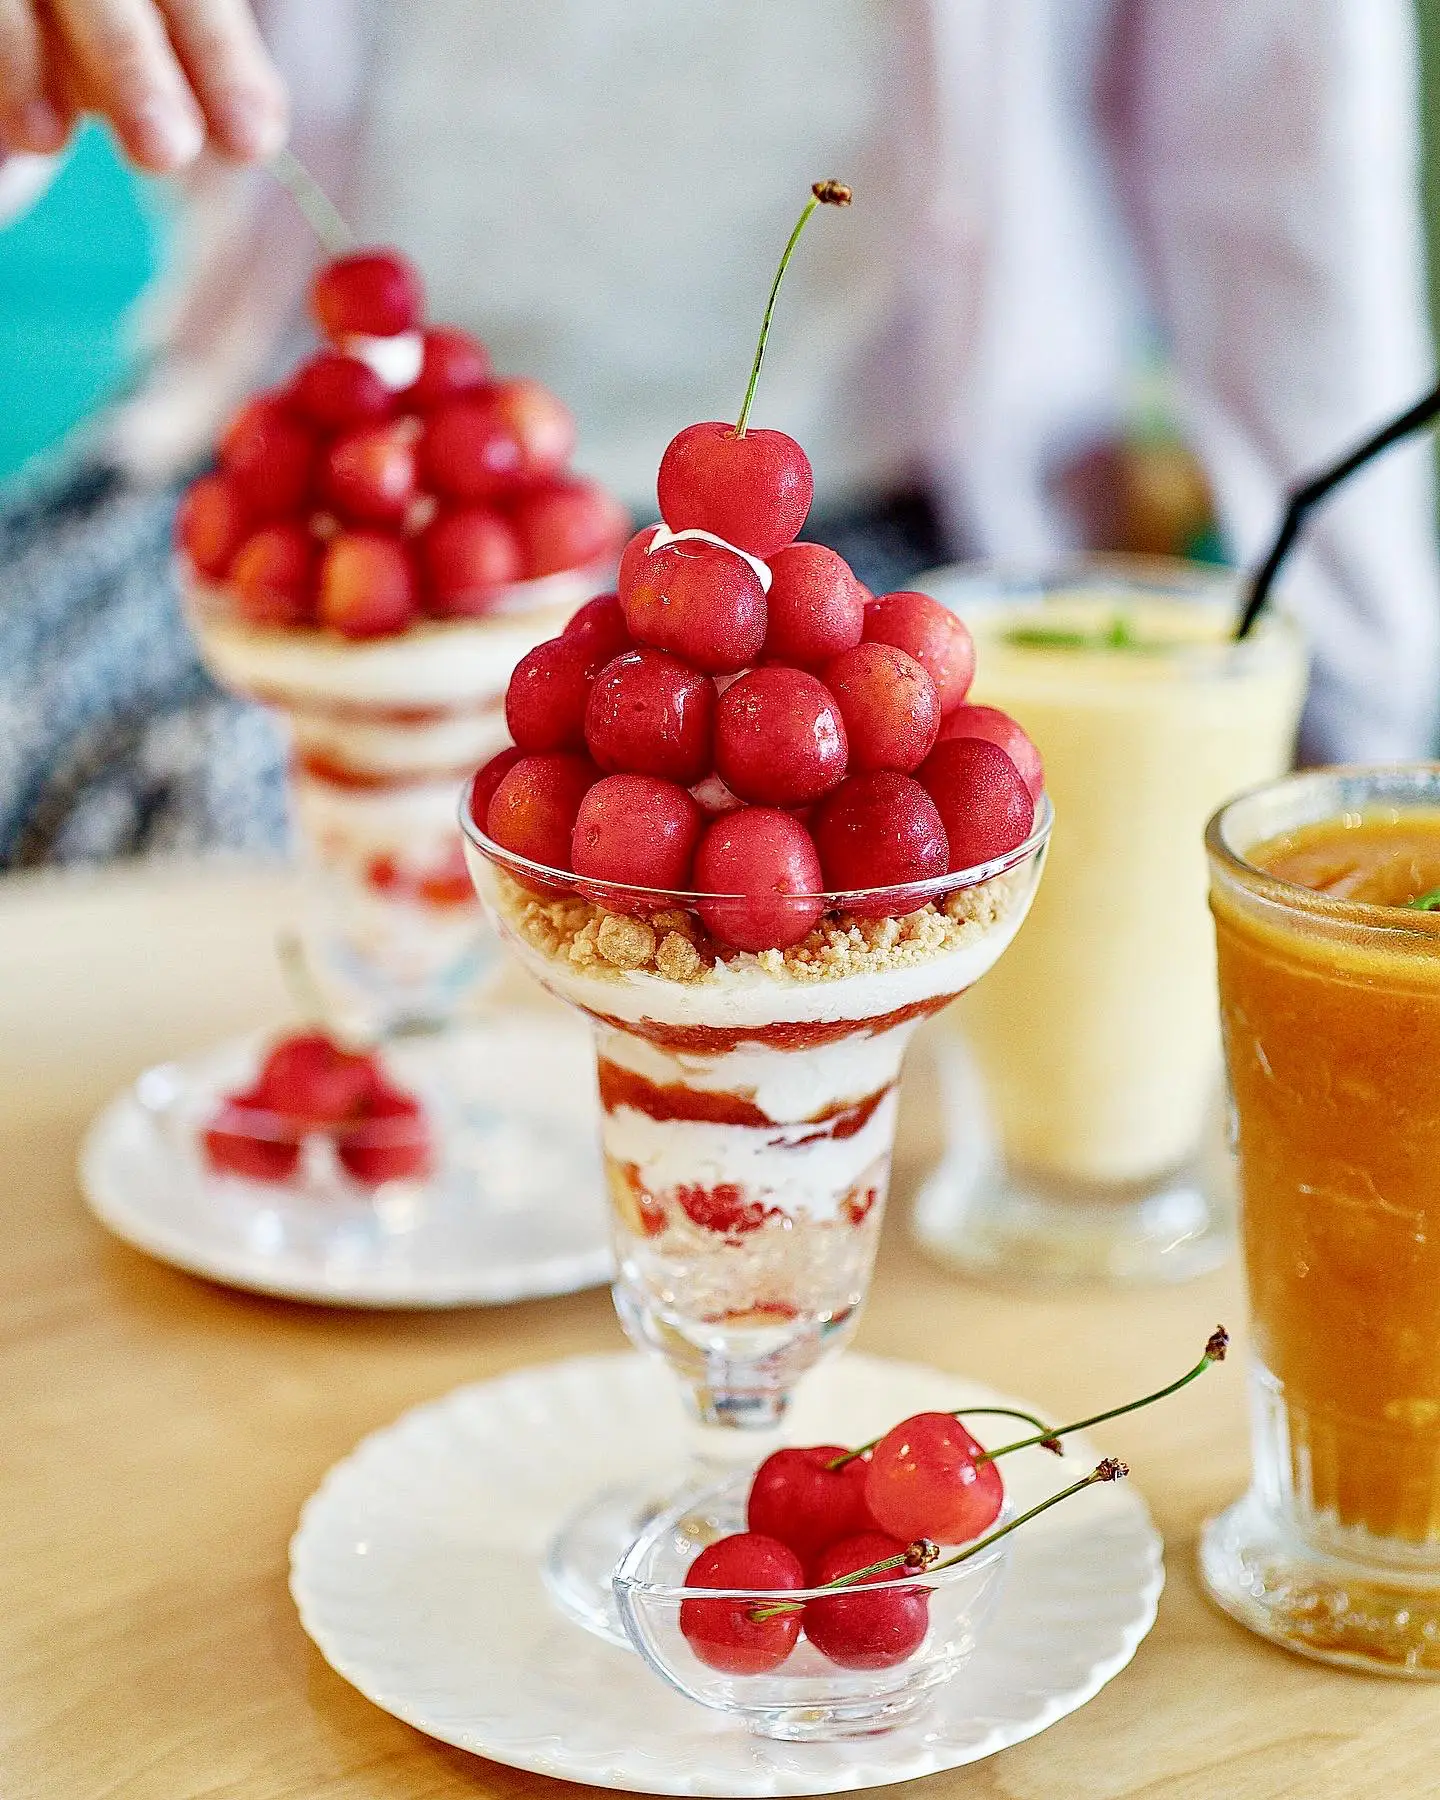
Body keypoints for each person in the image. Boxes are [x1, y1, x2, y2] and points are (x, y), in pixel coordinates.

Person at [0, 0, 1436, 863]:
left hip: (876, 525)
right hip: (349, 459)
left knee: (216, 823)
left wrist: (1382, 747)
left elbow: (1288, 203)